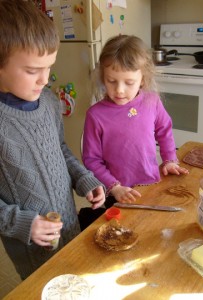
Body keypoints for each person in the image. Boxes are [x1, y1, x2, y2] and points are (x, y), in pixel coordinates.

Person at [0, 0, 105, 280]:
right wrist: (22, 223)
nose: (44, 79)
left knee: (77, 277)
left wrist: (84, 178)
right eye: (33, 71)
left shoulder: (47, 101)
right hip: (31, 242)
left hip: (69, 221)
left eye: (49, 67)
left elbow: (58, 149)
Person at [82, 34, 189, 208]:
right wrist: (114, 187)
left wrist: (169, 159)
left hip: (152, 182)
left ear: (142, 79)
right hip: (118, 192)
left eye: (129, 82)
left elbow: (165, 130)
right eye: (111, 81)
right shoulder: (95, 115)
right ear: (103, 77)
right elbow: (91, 160)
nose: (119, 90)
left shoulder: (152, 101)